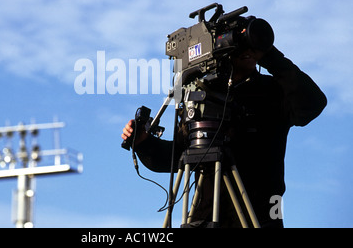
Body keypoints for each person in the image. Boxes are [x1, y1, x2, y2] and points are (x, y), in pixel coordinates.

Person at [121, 46, 327, 228]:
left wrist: (270, 56)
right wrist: (144, 143)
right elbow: (181, 157)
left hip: (261, 214)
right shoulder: (201, 94)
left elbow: (313, 103)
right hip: (207, 215)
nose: (247, 49)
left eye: (251, 44)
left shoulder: (273, 91)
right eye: (239, 44)